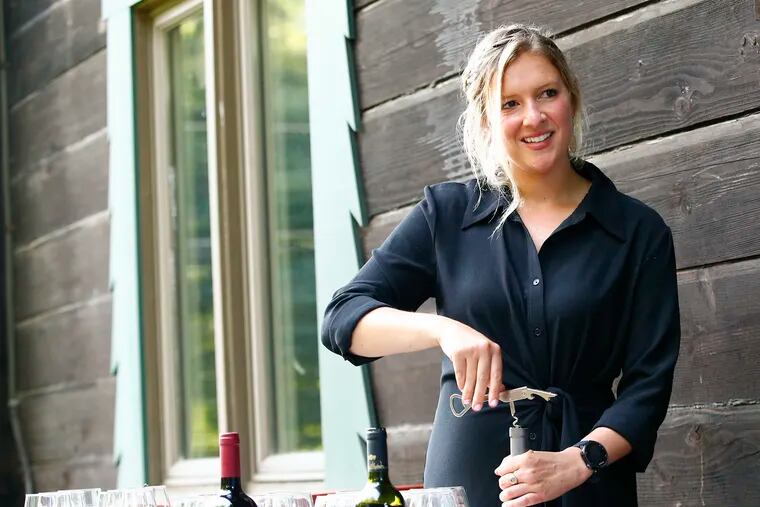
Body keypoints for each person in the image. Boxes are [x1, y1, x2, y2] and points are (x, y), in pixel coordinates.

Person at [321, 24, 680, 507]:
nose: (534, 117)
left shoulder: (637, 231)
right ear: (486, 120)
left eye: (547, 93)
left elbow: (648, 385)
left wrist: (577, 462)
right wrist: (443, 330)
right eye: (509, 103)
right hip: (470, 476)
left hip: (587, 479)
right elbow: (342, 319)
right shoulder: (446, 216)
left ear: (571, 98)